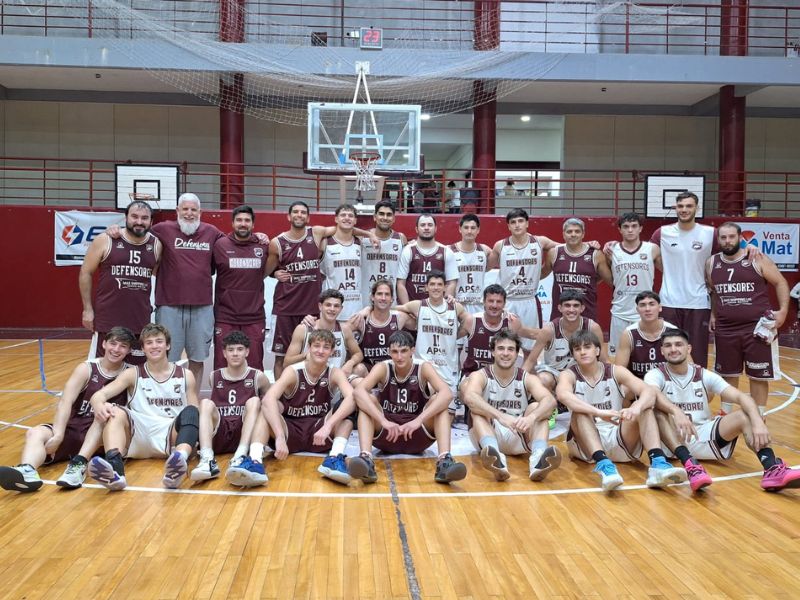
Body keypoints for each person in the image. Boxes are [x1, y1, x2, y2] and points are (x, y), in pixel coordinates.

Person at [648, 328, 800, 492]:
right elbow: (653, 395)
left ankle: (771, 468)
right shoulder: (655, 375)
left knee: (746, 415)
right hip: (673, 441)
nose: (673, 349)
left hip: (702, 434)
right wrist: (675, 411)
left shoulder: (703, 374)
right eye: (668, 345)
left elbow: (742, 397)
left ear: (688, 348)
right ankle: (690, 465)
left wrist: (758, 422)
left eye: (678, 344)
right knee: (655, 410)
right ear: (662, 351)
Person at [0, 327, 135, 493]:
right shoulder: (86, 368)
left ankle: (79, 465)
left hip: (100, 439)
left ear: (129, 350)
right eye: (113, 343)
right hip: (73, 430)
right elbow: (65, 401)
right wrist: (58, 435)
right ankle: (27, 471)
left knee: (105, 415)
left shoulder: (129, 373)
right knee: (35, 433)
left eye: (122, 346)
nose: (116, 349)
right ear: (104, 344)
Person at [556, 330, 688, 491]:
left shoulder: (615, 370)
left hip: (617, 435)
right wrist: (598, 412)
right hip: (585, 444)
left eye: (587, 347)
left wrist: (636, 408)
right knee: (580, 412)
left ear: (597, 350)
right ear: (573, 355)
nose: (583, 352)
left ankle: (658, 464)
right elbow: (563, 395)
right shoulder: (568, 374)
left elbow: (648, 391)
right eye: (577, 349)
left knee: (644, 407)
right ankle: (604, 466)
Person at [267, 201, 374, 378]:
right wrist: (274, 273)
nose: (299, 215)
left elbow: (345, 228)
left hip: (311, 307)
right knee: (282, 357)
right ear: (288, 216)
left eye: (303, 212)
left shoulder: (316, 233)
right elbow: (265, 271)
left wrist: (369, 234)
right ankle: (282, 392)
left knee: (319, 352)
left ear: (308, 217)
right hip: (286, 307)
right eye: (295, 212)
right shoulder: (277, 242)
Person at [87, 323, 200, 491]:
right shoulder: (133, 374)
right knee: (115, 411)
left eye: (159, 341)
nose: (154, 346)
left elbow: (195, 412)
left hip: (170, 433)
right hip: (137, 432)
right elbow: (99, 395)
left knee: (191, 411)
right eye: (149, 342)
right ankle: (115, 471)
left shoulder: (185, 375)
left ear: (168, 345)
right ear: (143, 348)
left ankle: (178, 463)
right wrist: (98, 404)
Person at [347, 331, 467, 485]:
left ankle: (444, 461)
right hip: (387, 434)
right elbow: (358, 392)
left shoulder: (423, 367)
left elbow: (447, 394)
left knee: (439, 403)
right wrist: (383, 421)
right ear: (389, 352)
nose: (399, 356)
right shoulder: (383, 367)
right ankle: (366, 459)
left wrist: (419, 420)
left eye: (403, 351)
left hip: (416, 434)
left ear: (412, 350)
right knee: (366, 401)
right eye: (395, 352)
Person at [707, 222, 790, 414]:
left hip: (757, 328)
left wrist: (783, 311)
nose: (727, 241)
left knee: (759, 376)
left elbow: (780, 282)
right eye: (723, 237)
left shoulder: (756, 258)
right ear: (718, 240)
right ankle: (725, 415)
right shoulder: (711, 263)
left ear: (740, 238)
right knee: (727, 374)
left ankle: (758, 416)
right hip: (726, 329)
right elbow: (714, 292)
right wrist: (713, 314)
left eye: (731, 236)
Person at [462, 329, 561, 482]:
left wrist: (531, 418)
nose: (505, 353)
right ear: (493, 352)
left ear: (516, 353)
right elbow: (470, 397)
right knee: (477, 411)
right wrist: (500, 416)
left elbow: (550, 401)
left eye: (510, 349)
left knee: (537, 408)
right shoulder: (480, 375)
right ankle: (496, 459)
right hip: (488, 433)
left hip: (518, 432)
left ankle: (539, 459)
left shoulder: (526, 377)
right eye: (501, 348)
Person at [150, 193, 225, 396]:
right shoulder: (162, 229)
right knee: (166, 357)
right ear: (177, 211)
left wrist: (259, 237)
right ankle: (166, 397)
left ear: (200, 212)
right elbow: (136, 237)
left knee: (197, 358)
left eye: (193, 210)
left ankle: (192, 398)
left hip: (202, 306)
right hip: (169, 305)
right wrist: (114, 230)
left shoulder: (211, 232)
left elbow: (234, 244)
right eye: (185, 209)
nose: (189, 213)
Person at [260, 329, 357, 485]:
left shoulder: (334, 372)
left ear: (332, 351)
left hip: (319, 431)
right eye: (316, 346)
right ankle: (255, 459)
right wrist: (279, 436)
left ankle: (334, 457)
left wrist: (328, 426)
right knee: (265, 407)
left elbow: (352, 398)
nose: (320, 351)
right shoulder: (293, 371)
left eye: (326, 347)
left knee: (347, 409)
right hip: (290, 430)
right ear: (309, 348)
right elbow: (268, 399)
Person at [79, 200, 160, 365]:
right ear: (126, 218)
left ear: (151, 222)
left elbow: (156, 274)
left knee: (135, 371)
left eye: (144, 218)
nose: (139, 221)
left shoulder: (157, 245)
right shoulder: (105, 240)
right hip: (108, 320)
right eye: (134, 216)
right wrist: (87, 309)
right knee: (102, 370)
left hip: (139, 320)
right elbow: (85, 273)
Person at [190, 331, 271, 487]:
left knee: (255, 401)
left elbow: (269, 405)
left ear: (247, 352)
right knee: (205, 402)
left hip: (244, 431)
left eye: (240, 349)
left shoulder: (258, 377)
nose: (235, 353)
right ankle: (207, 459)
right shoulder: (214, 376)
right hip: (220, 432)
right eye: (231, 349)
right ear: (224, 353)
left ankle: (241, 454)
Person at [649, 191, 716, 367]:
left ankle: (696, 384)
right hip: (669, 301)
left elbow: (730, 253)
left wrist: (749, 248)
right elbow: (646, 254)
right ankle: (669, 384)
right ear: (675, 208)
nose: (684, 209)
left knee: (697, 355)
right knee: (669, 351)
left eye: (689, 206)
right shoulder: (662, 232)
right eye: (680, 206)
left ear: (697, 208)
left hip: (699, 302)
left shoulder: (710, 233)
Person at [395, 271, 472, 405]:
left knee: (446, 411)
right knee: (428, 403)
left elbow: (469, 321)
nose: (436, 288)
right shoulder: (418, 305)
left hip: (447, 368)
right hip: (424, 366)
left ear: (445, 287)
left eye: (439, 284)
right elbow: (392, 309)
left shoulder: (455, 307)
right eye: (432, 284)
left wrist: (455, 335)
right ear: (426, 287)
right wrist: (368, 309)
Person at [490, 208, 558, 352]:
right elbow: (484, 267)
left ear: (527, 223)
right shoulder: (500, 245)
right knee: (503, 346)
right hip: (507, 302)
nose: (517, 225)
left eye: (520, 221)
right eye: (513, 222)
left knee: (530, 348)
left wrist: (589, 244)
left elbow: (567, 248)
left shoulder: (540, 242)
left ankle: (529, 367)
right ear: (508, 226)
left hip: (529, 301)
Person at [212, 205, 269, 370]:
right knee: (222, 363)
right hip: (225, 315)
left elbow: (274, 269)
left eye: (247, 220)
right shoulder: (220, 245)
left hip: (254, 316)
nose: (243, 224)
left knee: (255, 364)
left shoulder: (263, 245)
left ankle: (253, 389)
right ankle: (222, 389)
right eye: (239, 220)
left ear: (253, 224)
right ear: (232, 223)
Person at [521, 290, 606, 393]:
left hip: (582, 373)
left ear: (582, 308)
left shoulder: (592, 327)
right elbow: (530, 360)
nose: (571, 310)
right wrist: (517, 382)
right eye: (567, 305)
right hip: (554, 373)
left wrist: (608, 380)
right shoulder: (549, 330)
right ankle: (553, 400)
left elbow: (602, 359)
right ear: (560, 308)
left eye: (576, 306)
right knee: (543, 379)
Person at [606, 213, 660, 355]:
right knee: (617, 356)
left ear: (640, 228)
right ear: (620, 230)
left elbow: (669, 272)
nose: (630, 230)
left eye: (634, 226)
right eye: (626, 226)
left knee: (644, 356)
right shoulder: (611, 250)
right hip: (620, 311)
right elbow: (606, 277)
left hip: (645, 311)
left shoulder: (652, 249)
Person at [546, 217, 611, 322]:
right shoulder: (554, 253)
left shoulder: (595, 254)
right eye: (569, 231)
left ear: (583, 234)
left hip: (587, 314)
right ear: (563, 234)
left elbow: (611, 281)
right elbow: (539, 275)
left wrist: (610, 260)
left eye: (577, 231)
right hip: (560, 315)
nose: (573, 234)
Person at [284, 289, 363, 376]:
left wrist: (350, 363)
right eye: (328, 305)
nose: (332, 309)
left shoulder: (344, 329)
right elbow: (286, 363)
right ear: (320, 306)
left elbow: (358, 353)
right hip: (309, 378)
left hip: (336, 378)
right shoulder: (303, 329)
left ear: (341, 309)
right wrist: (305, 356)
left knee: (360, 369)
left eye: (336, 306)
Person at [460, 284, 522, 379]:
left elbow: (530, 334)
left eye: (499, 302)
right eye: (491, 301)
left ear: (504, 304)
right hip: (472, 374)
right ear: (484, 302)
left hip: (500, 377)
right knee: (472, 383)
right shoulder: (472, 320)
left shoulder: (511, 322)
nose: (494, 305)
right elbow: (450, 336)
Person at [353, 280, 412, 377]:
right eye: (379, 294)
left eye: (387, 295)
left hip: (393, 371)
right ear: (372, 297)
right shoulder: (361, 319)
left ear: (392, 299)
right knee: (358, 369)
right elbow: (344, 330)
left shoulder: (399, 318)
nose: (383, 298)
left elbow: (419, 317)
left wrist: (393, 308)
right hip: (368, 372)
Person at [395, 214, 458, 303]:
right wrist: (408, 307)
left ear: (435, 228)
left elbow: (451, 283)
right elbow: (400, 284)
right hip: (412, 305)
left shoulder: (446, 252)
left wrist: (444, 307)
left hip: (437, 307)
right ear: (416, 229)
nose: (426, 228)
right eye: (423, 225)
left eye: (430, 225)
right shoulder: (408, 251)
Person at [614, 291, 676, 379]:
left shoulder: (673, 331)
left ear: (660, 307)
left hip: (667, 383)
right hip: (637, 383)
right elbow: (619, 371)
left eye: (652, 304)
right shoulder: (628, 334)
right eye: (642, 305)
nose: (647, 309)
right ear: (637, 309)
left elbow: (687, 365)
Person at [320, 204, 363, 322]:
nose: (347, 218)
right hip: (331, 307)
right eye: (343, 215)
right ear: (336, 219)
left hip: (355, 307)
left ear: (355, 221)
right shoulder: (325, 243)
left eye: (350, 216)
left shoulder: (360, 242)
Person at [360, 200, 406, 306]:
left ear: (394, 219)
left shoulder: (401, 238)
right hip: (366, 299)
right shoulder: (362, 238)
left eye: (389, 215)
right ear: (374, 217)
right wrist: (368, 234)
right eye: (381, 214)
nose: (385, 218)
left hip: (390, 299)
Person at [450, 214, 491, 315]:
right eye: (466, 227)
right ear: (460, 229)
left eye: (473, 228)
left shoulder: (484, 250)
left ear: (478, 230)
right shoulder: (450, 250)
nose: (469, 231)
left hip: (479, 304)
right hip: (458, 304)